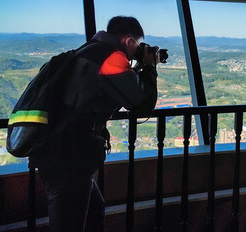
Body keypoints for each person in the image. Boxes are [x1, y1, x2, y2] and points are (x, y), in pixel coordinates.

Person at [30, 16, 159, 232]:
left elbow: (105, 92)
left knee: (93, 211)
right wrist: (149, 67)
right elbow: (142, 103)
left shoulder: (89, 51)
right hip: (67, 156)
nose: (137, 50)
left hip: (59, 149)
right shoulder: (111, 58)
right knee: (70, 224)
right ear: (128, 41)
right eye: (137, 45)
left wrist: (135, 67)